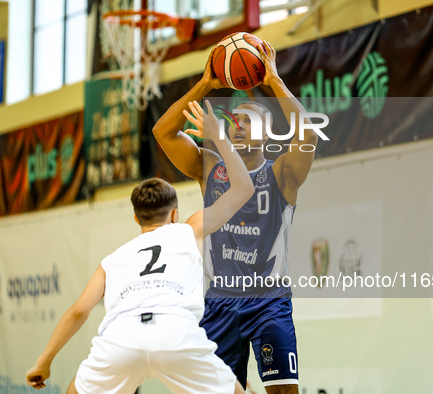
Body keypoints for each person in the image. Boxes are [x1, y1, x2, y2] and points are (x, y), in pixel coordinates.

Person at [26, 100, 253, 394]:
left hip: (121, 336)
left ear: (136, 217)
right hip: (175, 333)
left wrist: (43, 362)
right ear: (174, 214)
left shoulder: (112, 260)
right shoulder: (188, 230)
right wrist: (219, 136)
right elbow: (244, 189)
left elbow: (78, 311)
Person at [153, 41, 318, 393]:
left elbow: (307, 135)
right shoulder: (209, 166)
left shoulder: (282, 174)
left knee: (285, 391)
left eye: (248, 120)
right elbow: (162, 132)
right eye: (234, 119)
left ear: (266, 132)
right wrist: (206, 84)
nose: (238, 125)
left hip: (267, 299)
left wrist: (273, 80)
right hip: (219, 302)